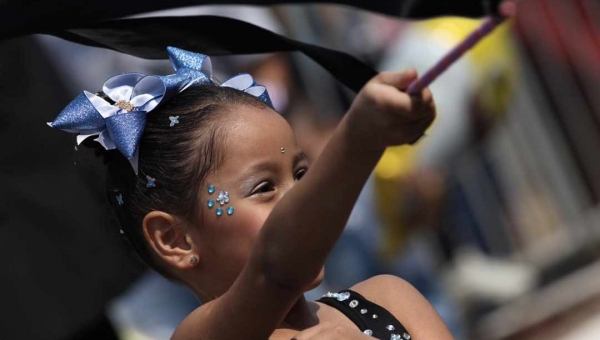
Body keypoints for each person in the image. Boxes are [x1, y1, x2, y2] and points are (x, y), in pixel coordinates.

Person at [48, 47, 450, 340]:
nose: (301, 195)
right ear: (175, 239)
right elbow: (275, 270)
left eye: (302, 173)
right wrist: (361, 137)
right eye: (263, 187)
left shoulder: (390, 298)